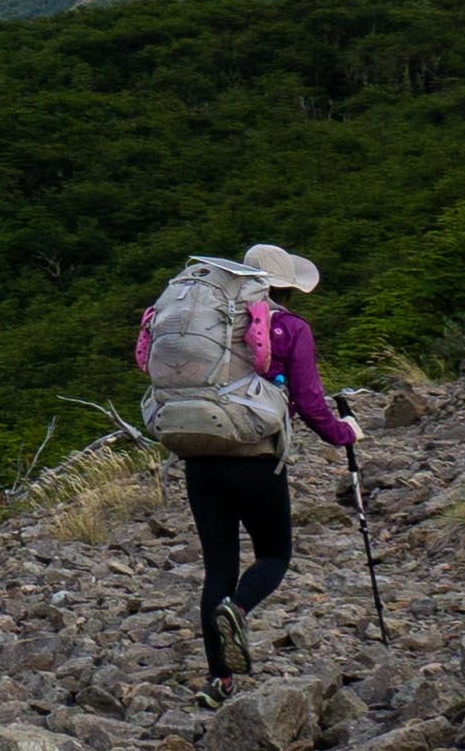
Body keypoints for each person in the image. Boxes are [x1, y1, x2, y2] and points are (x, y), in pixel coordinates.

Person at [133, 239, 356, 686]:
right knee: (273, 555)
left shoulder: (212, 318)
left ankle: (220, 681)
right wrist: (343, 432)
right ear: (286, 287)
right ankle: (237, 609)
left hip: (198, 456)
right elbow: (311, 403)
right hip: (255, 459)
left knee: (219, 568)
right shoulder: (290, 327)